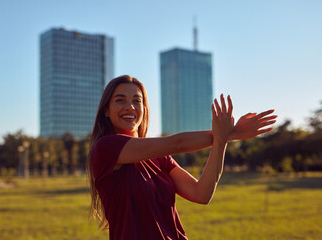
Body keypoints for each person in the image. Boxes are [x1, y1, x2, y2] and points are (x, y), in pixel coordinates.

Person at [87, 75, 277, 240]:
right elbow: (178, 143)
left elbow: (201, 193)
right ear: (106, 110)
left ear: (144, 108)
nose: (130, 107)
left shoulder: (159, 158)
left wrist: (222, 141)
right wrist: (231, 133)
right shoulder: (106, 148)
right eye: (120, 100)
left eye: (137, 101)